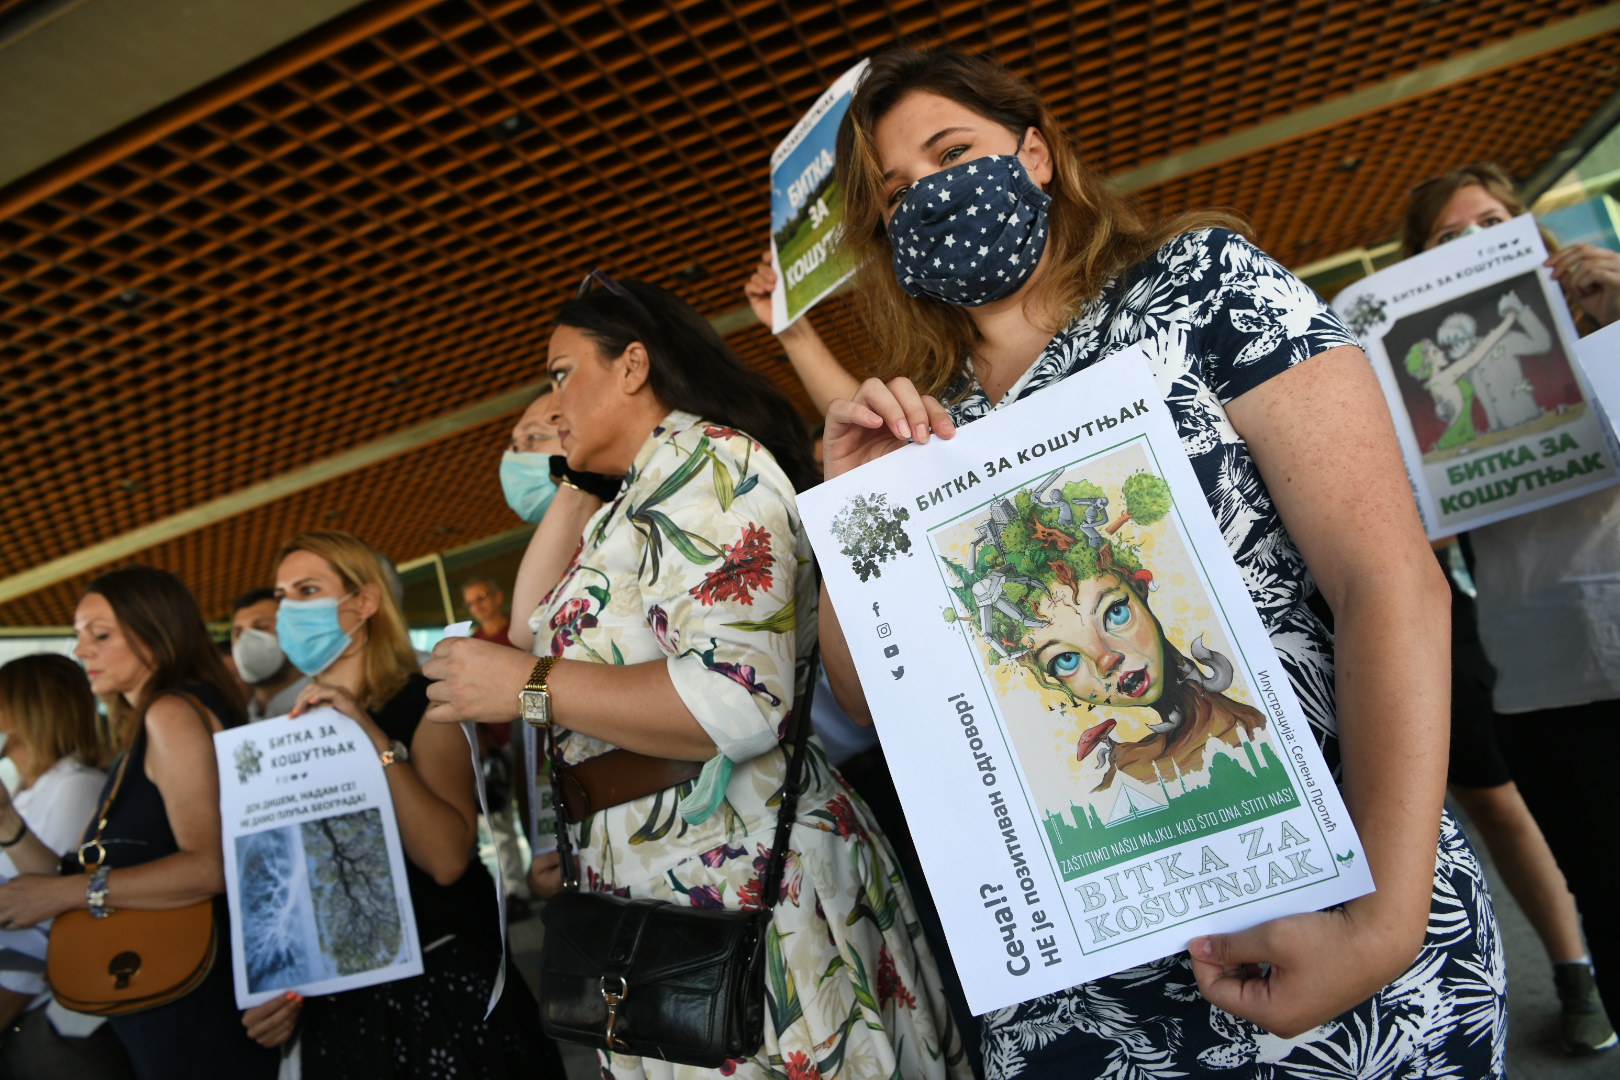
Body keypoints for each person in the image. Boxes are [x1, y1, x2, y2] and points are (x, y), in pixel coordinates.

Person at [818, 48, 1502, 1077]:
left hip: (1328, 917)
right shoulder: (927, 424)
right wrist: (854, 501)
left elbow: (1388, 581)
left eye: (951, 153)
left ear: (1036, 154)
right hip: (1083, 999)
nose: (929, 197)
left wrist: (1385, 919)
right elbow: (869, 701)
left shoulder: (1202, 289)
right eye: (896, 194)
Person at [424, 272, 968, 1079]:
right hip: (660, 873)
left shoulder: (709, 468)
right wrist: (575, 477)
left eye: (561, 374)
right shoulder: (632, 496)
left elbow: (738, 700)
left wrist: (527, 686)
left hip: (737, 868)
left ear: (633, 366)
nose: (549, 407)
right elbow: (537, 619)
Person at [1401, 162, 1620, 1050]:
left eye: (1495, 220)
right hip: (1541, 681)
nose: (1478, 241)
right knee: (1607, 889)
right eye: (1450, 238)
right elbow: (1422, 541)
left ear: (1531, 232)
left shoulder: (1600, 313)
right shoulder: (1414, 374)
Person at [238, 530, 560, 1077]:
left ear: (363, 602)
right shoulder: (285, 734)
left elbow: (445, 858)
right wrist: (278, 985)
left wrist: (371, 736)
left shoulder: (426, 699)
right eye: (283, 594)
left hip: (441, 991)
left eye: (308, 589)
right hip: (343, 1007)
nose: (289, 608)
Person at [0, 566, 277, 1079]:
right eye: (80, 634)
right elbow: (81, 875)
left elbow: (210, 865)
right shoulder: (158, 718)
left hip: (195, 1002)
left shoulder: (170, 712)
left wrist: (68, 895)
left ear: (154, 635)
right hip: (173, 996)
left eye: (99, 635)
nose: (82, 650)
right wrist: (8, 822)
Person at [0, 653, 132, 1076]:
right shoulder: (23, 793)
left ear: (27, 712)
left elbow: (46, 924)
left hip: (47, 1022)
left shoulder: (75, 788)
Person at [230, 588, 310, 721]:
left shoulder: (328, 703)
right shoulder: (240, 716)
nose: (247, 639)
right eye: (238, 633)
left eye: (261, 628)